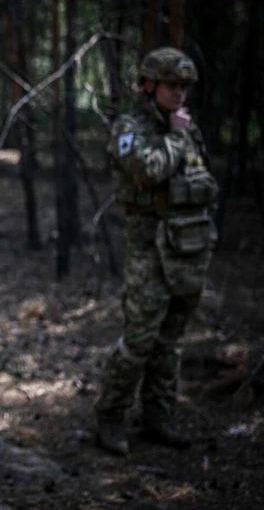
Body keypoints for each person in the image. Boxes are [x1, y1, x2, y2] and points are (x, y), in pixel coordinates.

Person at [95, 47, 218, 456]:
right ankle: (110, 418)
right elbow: (148, 171)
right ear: (149, 85)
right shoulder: (130, 127)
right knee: (140, 339)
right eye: (171, 85)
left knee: (172, 341)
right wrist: (176, 135)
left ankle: (157, 418)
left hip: (188, 248)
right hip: (149, 250)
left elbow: (201, 181)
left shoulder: (184, 127)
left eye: (184, 87)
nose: (179, 93)